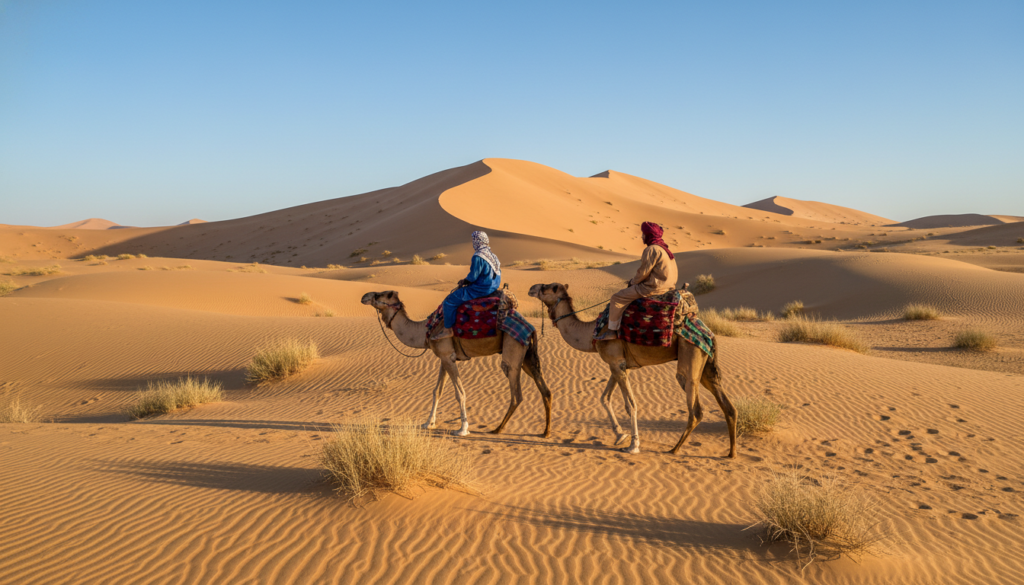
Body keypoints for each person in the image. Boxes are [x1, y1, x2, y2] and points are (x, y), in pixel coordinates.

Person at [596, 221, 678, 341]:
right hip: (668, 287)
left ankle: (611, 331)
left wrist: (632, 282)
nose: (642, 237)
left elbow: (643, 273)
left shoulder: (651, 249)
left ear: (648, 235)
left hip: (652, 288)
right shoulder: (664, 249)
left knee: (616, 298)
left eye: (643, 234)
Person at [431, 231, 502, 340]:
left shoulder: (478, 256)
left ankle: (447, 330)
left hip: (481, 288)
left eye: (474, 240)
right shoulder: (493, 255)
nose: (473, 242)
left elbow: (473, 277)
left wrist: (465, 281)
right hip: (494, 285)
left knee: (449, 301)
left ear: (478, 241)